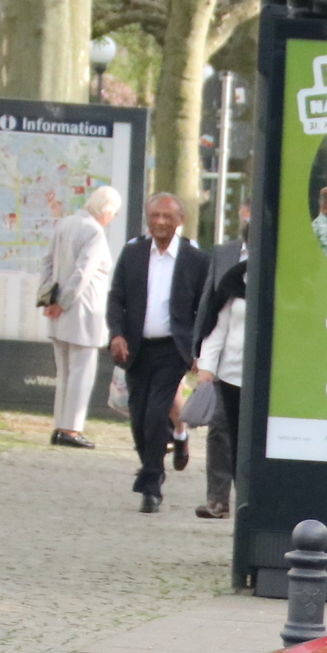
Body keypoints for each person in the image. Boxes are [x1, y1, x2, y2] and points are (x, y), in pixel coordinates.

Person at [105, 192, 209, 513]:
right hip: (136, 348)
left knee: (155, 414)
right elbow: (116, 298)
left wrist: (199, 349)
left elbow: (205, 309)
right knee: (138, 416)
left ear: (180, 221)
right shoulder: (133, 252)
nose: (160, 222)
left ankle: (152, 482)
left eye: (167, 217)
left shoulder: (195, 259)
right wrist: (117, 334)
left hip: (173, 348)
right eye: (155, 216)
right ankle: (161, 455)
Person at [37, 185, 119, 448]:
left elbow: (47, 262)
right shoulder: (94, 232)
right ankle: (71, 429)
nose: (112, 218)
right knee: (81, 373)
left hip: (58, 312)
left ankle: (60, 426)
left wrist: (47, 299)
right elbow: (83, 273)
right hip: (83, 311)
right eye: (113, 213)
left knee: (64, 373)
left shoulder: (65, 224)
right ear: (106, 210)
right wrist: (63, 302)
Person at [189, 227, 247, 520]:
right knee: (219, 431)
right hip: (228, 372)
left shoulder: (282, 274)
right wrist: (206, 368)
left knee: (249, 440)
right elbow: (217, 325)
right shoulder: (235, 277)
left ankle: (249, 501)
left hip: (261, 377)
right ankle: (218, 499)